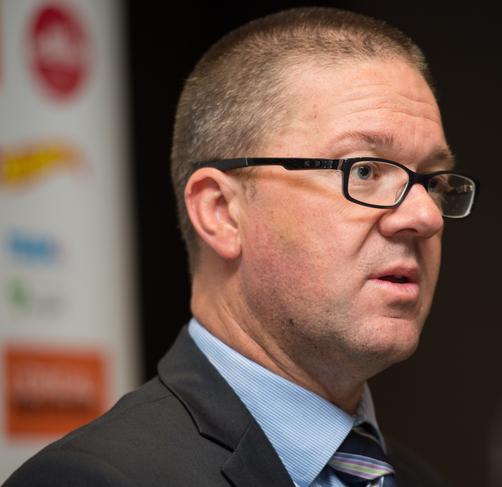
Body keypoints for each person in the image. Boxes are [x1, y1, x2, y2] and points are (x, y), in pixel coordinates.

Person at [5, 7, 476, 487]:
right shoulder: (93, 479)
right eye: (365, 170)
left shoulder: (419, 479)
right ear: (221, 212)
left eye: (433, 181)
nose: (425, 216)